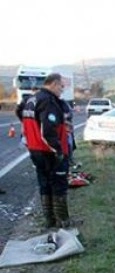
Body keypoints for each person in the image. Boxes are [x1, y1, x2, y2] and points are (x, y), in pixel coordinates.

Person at [19, 73, 72, 229]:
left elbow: (21, 115)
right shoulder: (48, 101)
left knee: (44, 184)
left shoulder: (32, 99)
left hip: (35, 149)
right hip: (49, 151)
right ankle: (63, 221)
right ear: (54, 84)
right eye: (61, 86)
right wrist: (58, 150)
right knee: (59, 184)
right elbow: (48, 130)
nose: (62, 90)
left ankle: (50, 220)